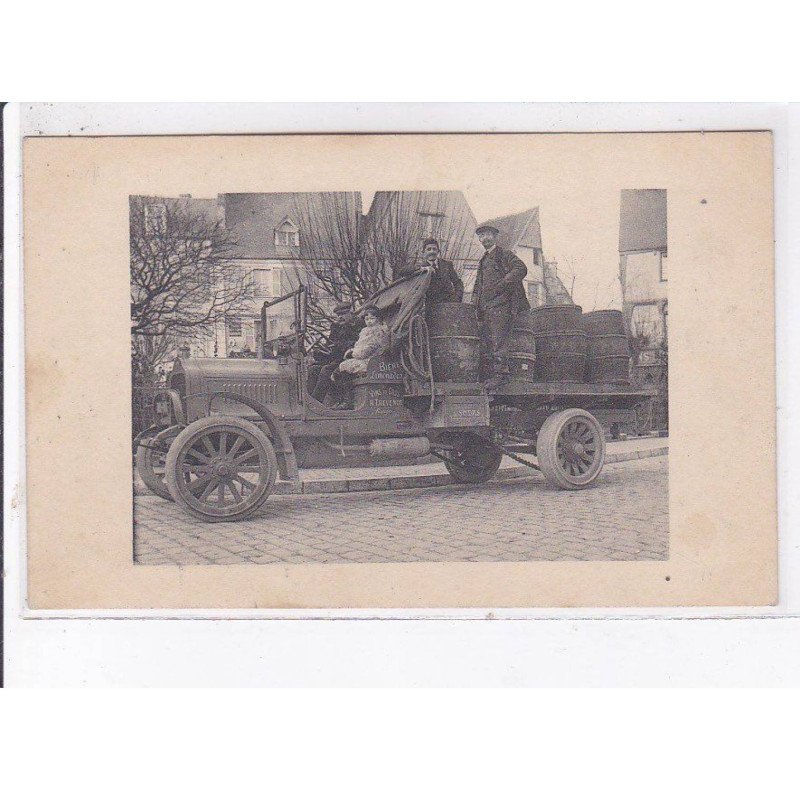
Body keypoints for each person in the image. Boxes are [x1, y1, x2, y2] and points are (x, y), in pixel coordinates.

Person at [472, 223, 530, 375]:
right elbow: (479, 286)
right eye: (481, 235)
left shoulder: (504, 254)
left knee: (499, 341)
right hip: (486, 308)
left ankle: (501, 374)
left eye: (488, 234)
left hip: (502, 306)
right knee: (488, 343)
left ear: (495, 236)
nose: (485, 238)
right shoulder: (483, 260)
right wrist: (475, 304)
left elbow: (521, 268)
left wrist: (504, 283)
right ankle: (492, 375)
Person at [332, 305, 390, 409]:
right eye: (367, 319)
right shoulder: (365, 331)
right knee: (340, 371)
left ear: (378, 319)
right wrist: (352, 351)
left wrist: (352, 353)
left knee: (340, 370)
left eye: (372, 318)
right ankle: (344, 400)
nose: (369, 321)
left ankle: (347, 402)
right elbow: (359, 346)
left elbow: (367, 350)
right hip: (365, 359)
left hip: (372, 361)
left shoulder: (379, 332)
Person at [309, 301, 363, 404]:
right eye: (338, 315)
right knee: (313, 369)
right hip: (337, 358)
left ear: (350, 313)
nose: (340, 317)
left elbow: (358, 345)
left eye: (343, 314)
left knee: (326, 370)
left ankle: (316, 402)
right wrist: (320, 353)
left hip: (351, 358)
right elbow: (330, 345)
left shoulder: (359, 325)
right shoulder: (337, 327)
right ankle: (309, 401)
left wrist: (340, 347)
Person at [398, 238, 464, 304]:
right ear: (423, 252)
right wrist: (419, 268)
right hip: (429, 306)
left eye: (434, 249)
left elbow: (458, 282)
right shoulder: (420, 266)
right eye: (429, 249)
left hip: (448, 305)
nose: (432, 252)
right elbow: (402, 272)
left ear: (438, 251)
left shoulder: (447, 265)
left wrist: (457, 297)